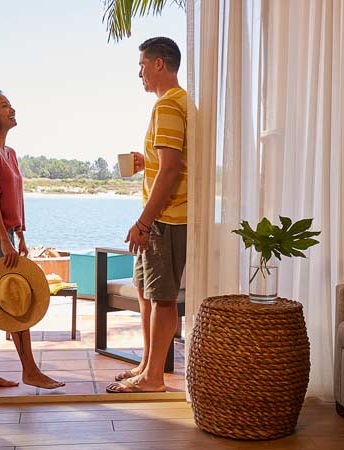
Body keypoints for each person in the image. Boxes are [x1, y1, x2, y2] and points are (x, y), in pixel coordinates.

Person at [0, 90, 64, 389]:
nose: (12, 109)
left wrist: (19, 235)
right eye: (4, 105)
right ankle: (30, 370)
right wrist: (4, 241)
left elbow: (14, 199)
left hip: (5, 235)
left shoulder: (9, 153)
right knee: (15, 297)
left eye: (10, 104)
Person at [107, 37, 188, 393]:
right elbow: (169, 163)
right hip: (163, 216)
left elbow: (171, 171)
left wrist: (144, 222)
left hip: (166, 218)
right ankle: (146, 364)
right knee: (145, 290)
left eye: (142, 65)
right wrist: (147, 162)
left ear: (158, 64)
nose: (139, 72)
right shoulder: (178, 104)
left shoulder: (168, 106)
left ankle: (153, 378)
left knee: (162, 297)